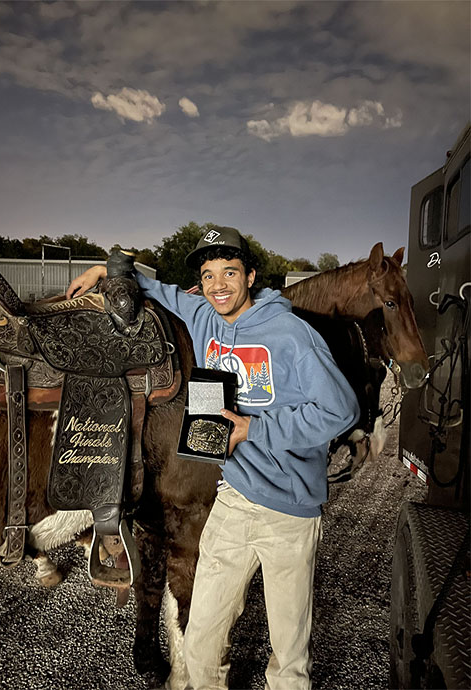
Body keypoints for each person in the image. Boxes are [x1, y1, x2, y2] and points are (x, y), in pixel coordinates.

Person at [66, 226, 359, 690]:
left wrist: (254, 429)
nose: (218, 285)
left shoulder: (290, 334)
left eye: (229, 272)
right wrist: (108, 270)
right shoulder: (202, 314)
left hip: (289, 513)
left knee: (288, 659)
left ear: (251, 276)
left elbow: (341, 410)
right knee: (200, 643)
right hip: (233, 504)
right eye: (207, 276)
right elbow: (157, 288)